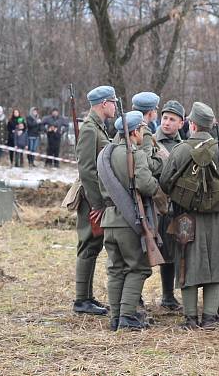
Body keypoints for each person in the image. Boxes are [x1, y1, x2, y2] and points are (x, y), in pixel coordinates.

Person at [159, 102, 219, 329]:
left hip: (184, 216)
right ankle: (209, 318)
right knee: (216, 263)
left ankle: (190, 318)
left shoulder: (180, 149)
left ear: (192, 124)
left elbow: (165, 182)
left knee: (185, 261)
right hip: (217, 217)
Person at [96, 110, 159, 331]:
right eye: (142, 129)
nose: (144, 133)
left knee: (116, 269)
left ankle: (115, 317)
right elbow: (146, 185)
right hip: (130, 220)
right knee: (138, 268)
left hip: (109, 220)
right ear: (134, 131)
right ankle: (128, 316)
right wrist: (155, 183)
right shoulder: (136, 154)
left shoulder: (104, 154)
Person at [73, 85, 116, 316]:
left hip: (96, 196)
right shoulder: (90, 129)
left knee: (93, 245)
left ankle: (86, 297)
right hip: (92, 197)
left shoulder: (98, 127)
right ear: (103, 104)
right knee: (88, 244)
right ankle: (81, 300)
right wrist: (97, 203)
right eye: (113, 102)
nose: (115, 106)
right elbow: (87, 169)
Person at [153, 99, 185, 311]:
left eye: (172, 119)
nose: (166, 122)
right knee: (148, 251)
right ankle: (135, 297)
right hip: (156, 206)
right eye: (164, 118)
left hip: (177, 207)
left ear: (181, 123)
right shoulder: (152, 142)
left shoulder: (184, 146)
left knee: (173, 252)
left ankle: (168, 296)